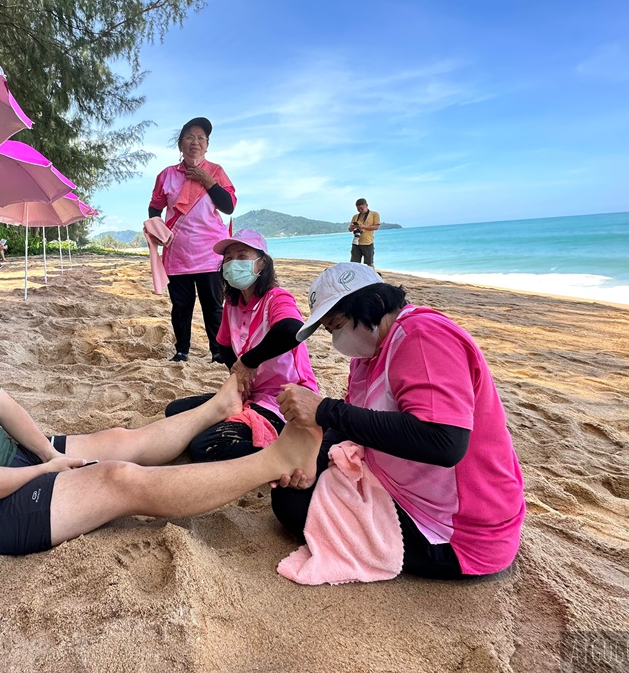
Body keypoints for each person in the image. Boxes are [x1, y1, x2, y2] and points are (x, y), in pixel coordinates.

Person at [0, 250, 321, 558]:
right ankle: (274, 460)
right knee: (118, 481)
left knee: (120, 440)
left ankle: (217, 408)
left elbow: (5, 406)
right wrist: (42, 472)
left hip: (2, 464)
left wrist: (47, 453)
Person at [271, 263, 526, 578]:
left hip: (460, 531)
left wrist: (325, 410)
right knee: (294, 479)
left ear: (375, 305)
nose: (337, 337)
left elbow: (444, 442)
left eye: (337, 324)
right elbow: (355, 422)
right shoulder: (369, 355)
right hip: (404, 485)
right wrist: (307, 452)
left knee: (291, 504)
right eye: (330, 330)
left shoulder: (423, 336)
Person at [165, 229, 320, 462]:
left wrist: (248, 362)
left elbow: (292, 330)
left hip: (285, 398)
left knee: (206, 446)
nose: (233, 263)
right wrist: (239, 375)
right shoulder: (233, 303)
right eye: (228, 259)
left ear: (262, 263)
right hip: (252, 393)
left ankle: (284, 446)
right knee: (175, 410)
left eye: (242, 256)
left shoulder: (276, 298)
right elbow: (224, 346)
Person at [148, 117, 236, 363]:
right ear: (180, 144)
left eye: (201, 138)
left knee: (214, 306)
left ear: (207, 145)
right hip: (177, 253)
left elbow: (228, 206)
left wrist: (207, 180)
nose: (195, 142)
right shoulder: (166, 175)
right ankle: (182, 350)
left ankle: (217, 352)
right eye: (189, 136)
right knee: (181, 306)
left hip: (211, 252)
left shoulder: (216, 171)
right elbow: (154, 208)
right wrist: (156, 228)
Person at [348, 198, 380, 268]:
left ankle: (373, 278)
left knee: (370, 264)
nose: (360, 210)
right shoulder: (355, 216)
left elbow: (376, 227)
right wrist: (353, 227)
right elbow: (350, 229)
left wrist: (364, 227)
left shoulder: (374, 214)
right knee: (354, 264)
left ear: (367, 205)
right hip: (356, 243)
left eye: (362, 208)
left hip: (368, 243)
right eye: (358, 208)